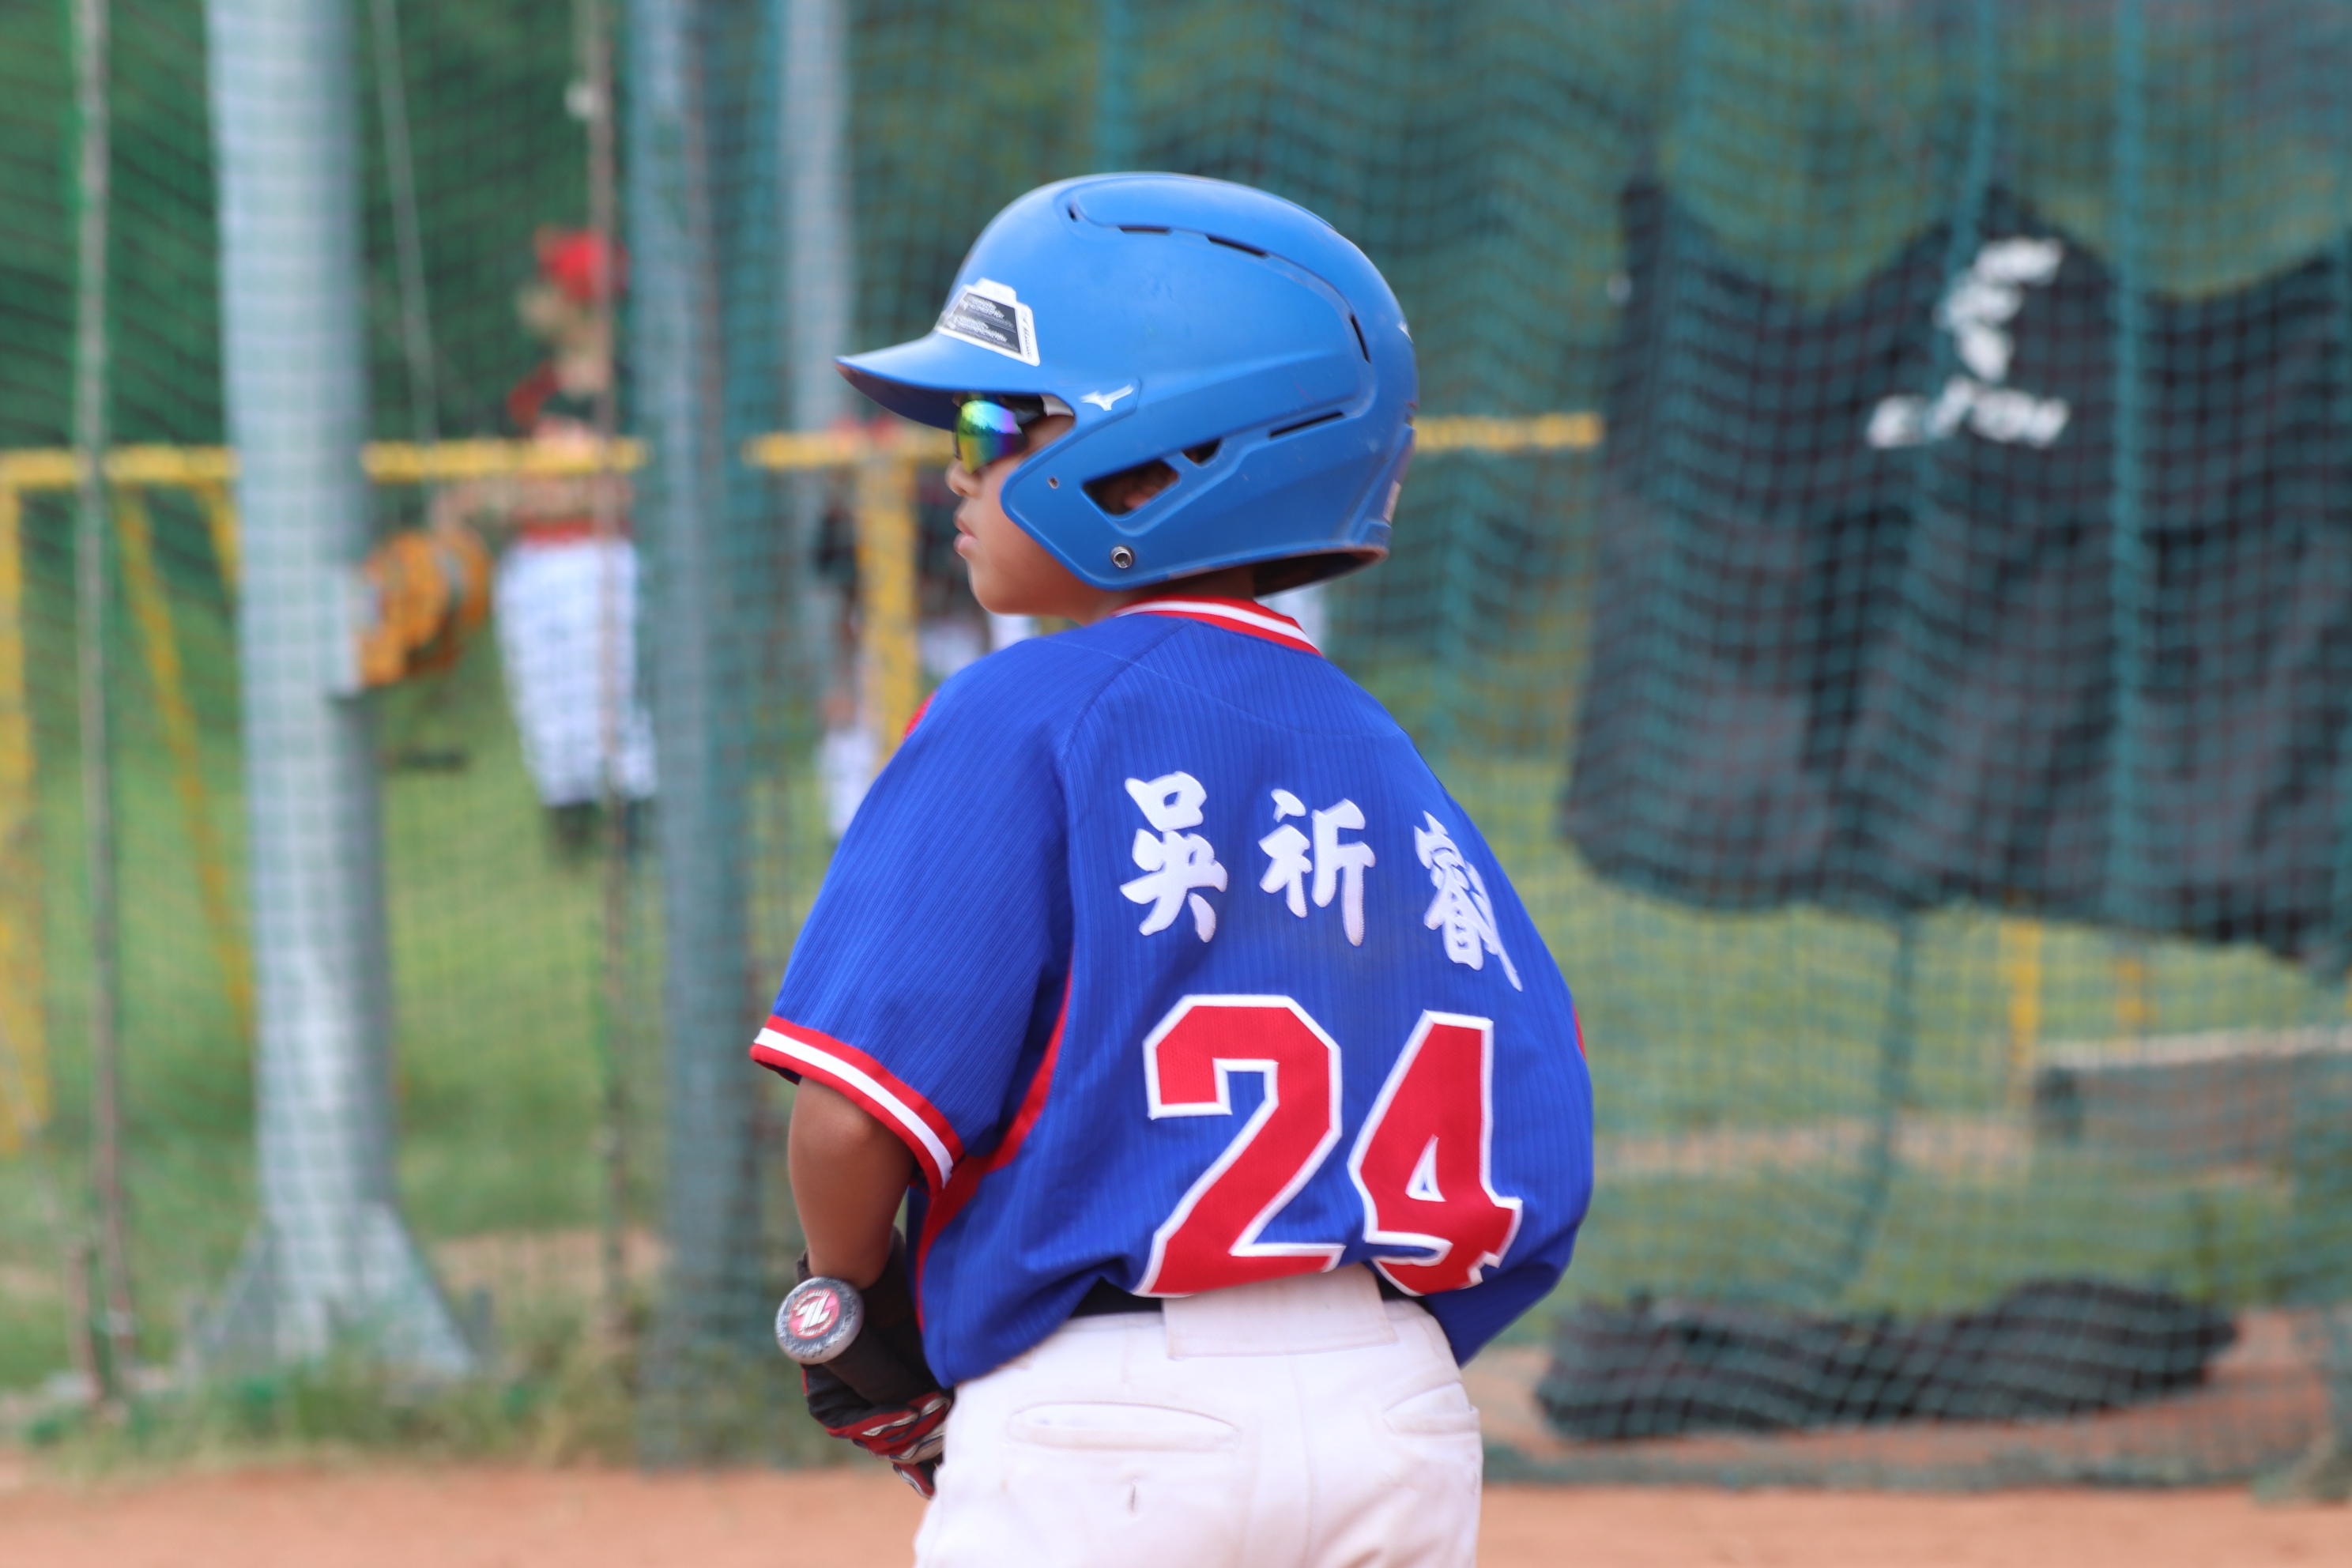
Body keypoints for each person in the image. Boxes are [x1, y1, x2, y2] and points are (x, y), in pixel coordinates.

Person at [752, 175, 1593, 1568]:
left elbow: (851, 1118)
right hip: (1398, 1411)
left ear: (1156, 462)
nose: (956, 468)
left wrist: (851, 1308)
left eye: (995, 425)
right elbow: (1541, 1135)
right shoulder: (1386, 757)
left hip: (1110, 1419)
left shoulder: (1019, 711)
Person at [432, 227, 657, 856]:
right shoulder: (531, 392)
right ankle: (571, 844)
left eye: (547, 285)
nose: (532, 298)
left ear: (579, 300)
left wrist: (548, 496)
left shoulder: (631, 385)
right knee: (548, 709)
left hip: (600, 558)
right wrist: (472, 502)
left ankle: (634, 838)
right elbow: (496, 480)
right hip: (532, 563)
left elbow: (639, 488)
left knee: (611, 705)